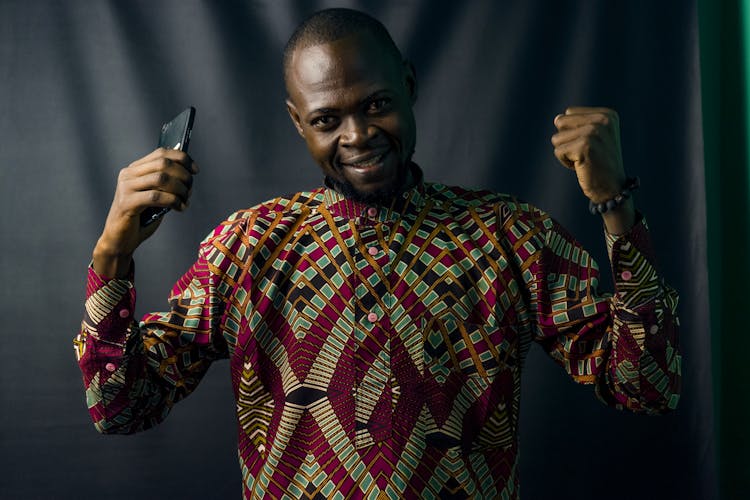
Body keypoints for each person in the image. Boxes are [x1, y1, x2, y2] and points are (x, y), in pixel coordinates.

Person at [74, 7, 680, 499]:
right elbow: (121, 407)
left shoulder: (507, 236)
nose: (358, 136)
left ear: (409, 87)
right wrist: (112, 256)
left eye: (376, 105)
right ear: (297, 123)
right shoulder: (247, 247)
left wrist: (614, 204)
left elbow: (648, 383)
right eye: (326, 119)